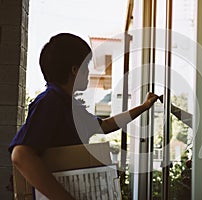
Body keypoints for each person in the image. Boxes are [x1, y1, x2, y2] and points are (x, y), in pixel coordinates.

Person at [9, 33, 159, 200]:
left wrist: (144, 107)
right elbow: (21, 155)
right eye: (86, 66)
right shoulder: (50, 102)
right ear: (75, 70)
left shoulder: (69, 106)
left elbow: (105, 126)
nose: (88, 72)